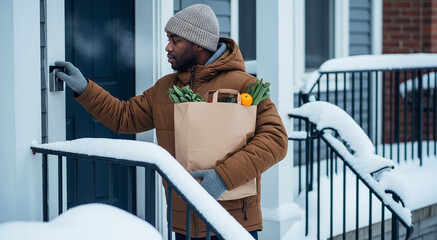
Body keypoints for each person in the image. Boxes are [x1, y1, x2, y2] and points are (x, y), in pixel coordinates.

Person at [55, 4, 287, 240]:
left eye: (175, 40)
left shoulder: (245, 85)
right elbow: (123, 116)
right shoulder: (165, 89)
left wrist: (223, 177)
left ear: (198, 43)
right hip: (183, 221)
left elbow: (276, 139)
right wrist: (84, 88)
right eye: (168, 39)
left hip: (234, 222)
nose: (168, 47)